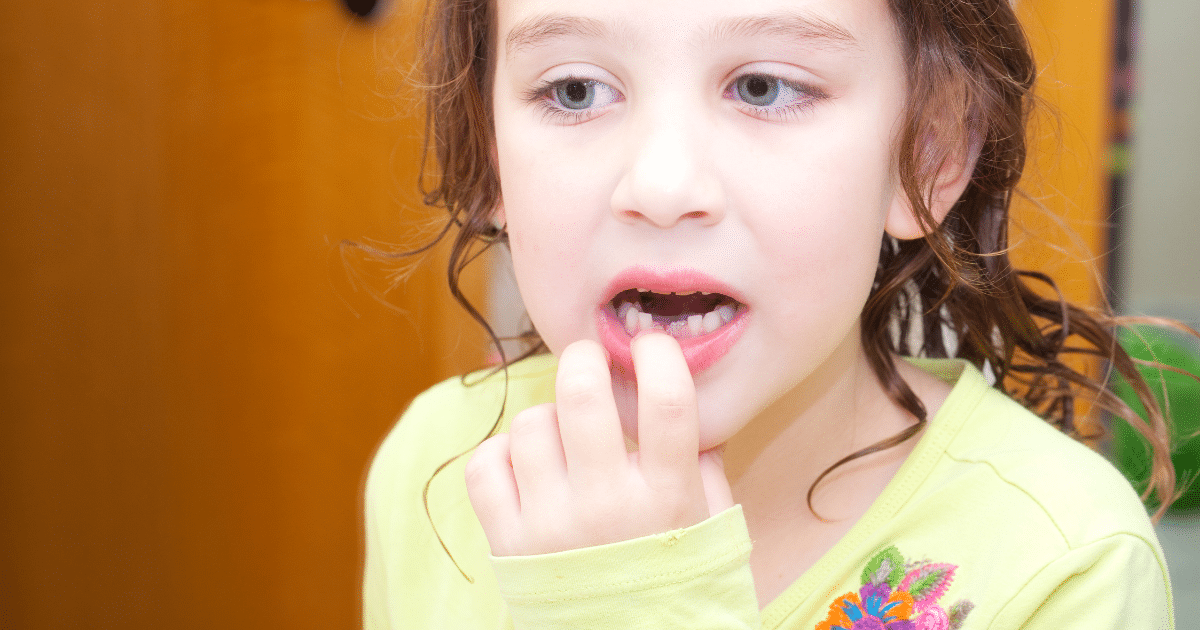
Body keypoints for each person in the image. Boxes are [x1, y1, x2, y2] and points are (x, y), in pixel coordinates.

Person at [361, 0, 1182, 627]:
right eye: (575, 90)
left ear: (928, 153)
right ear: (493, 156)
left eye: (763, 87)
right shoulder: (437, 470)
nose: (661, 185)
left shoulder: (1065, 561)